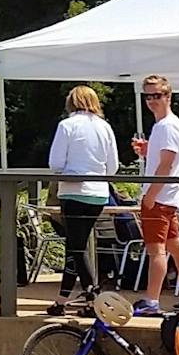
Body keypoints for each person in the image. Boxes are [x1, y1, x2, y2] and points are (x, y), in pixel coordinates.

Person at [47, 85, 118, 314]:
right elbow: (113, 166)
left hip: (73, 191)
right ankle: (62, 299)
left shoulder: (66, 126)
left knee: (77, 247)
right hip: (98, 193)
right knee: (75, 246)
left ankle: (91, 295)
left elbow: (56, 163)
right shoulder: (105, 127)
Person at [130, 75, 179, 316]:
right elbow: (166, 159)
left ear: (168, 96)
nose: (151, 100)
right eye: (148, 96)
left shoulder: (166, 126)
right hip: (168, 197)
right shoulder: (167, 125)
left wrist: (150, 194)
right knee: (175, 246)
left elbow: (166, 164)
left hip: (159, 197)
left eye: (156, 95)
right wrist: (148, 150)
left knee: (156, 250)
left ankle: (152, 300)